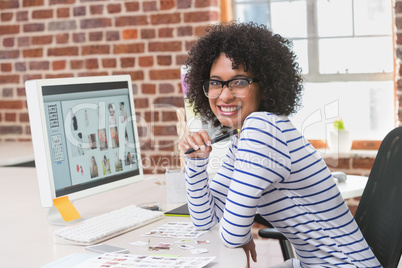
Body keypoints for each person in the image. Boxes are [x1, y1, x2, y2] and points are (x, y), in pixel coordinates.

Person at [179, 22, 381, 268]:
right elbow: (206, 222)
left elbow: (231, 234)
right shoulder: (242, 138)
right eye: (215, 82)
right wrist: (196, 164)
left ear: (264, 85)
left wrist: (240, 236)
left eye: (239, 82)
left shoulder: (261, 129)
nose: (224, 95)